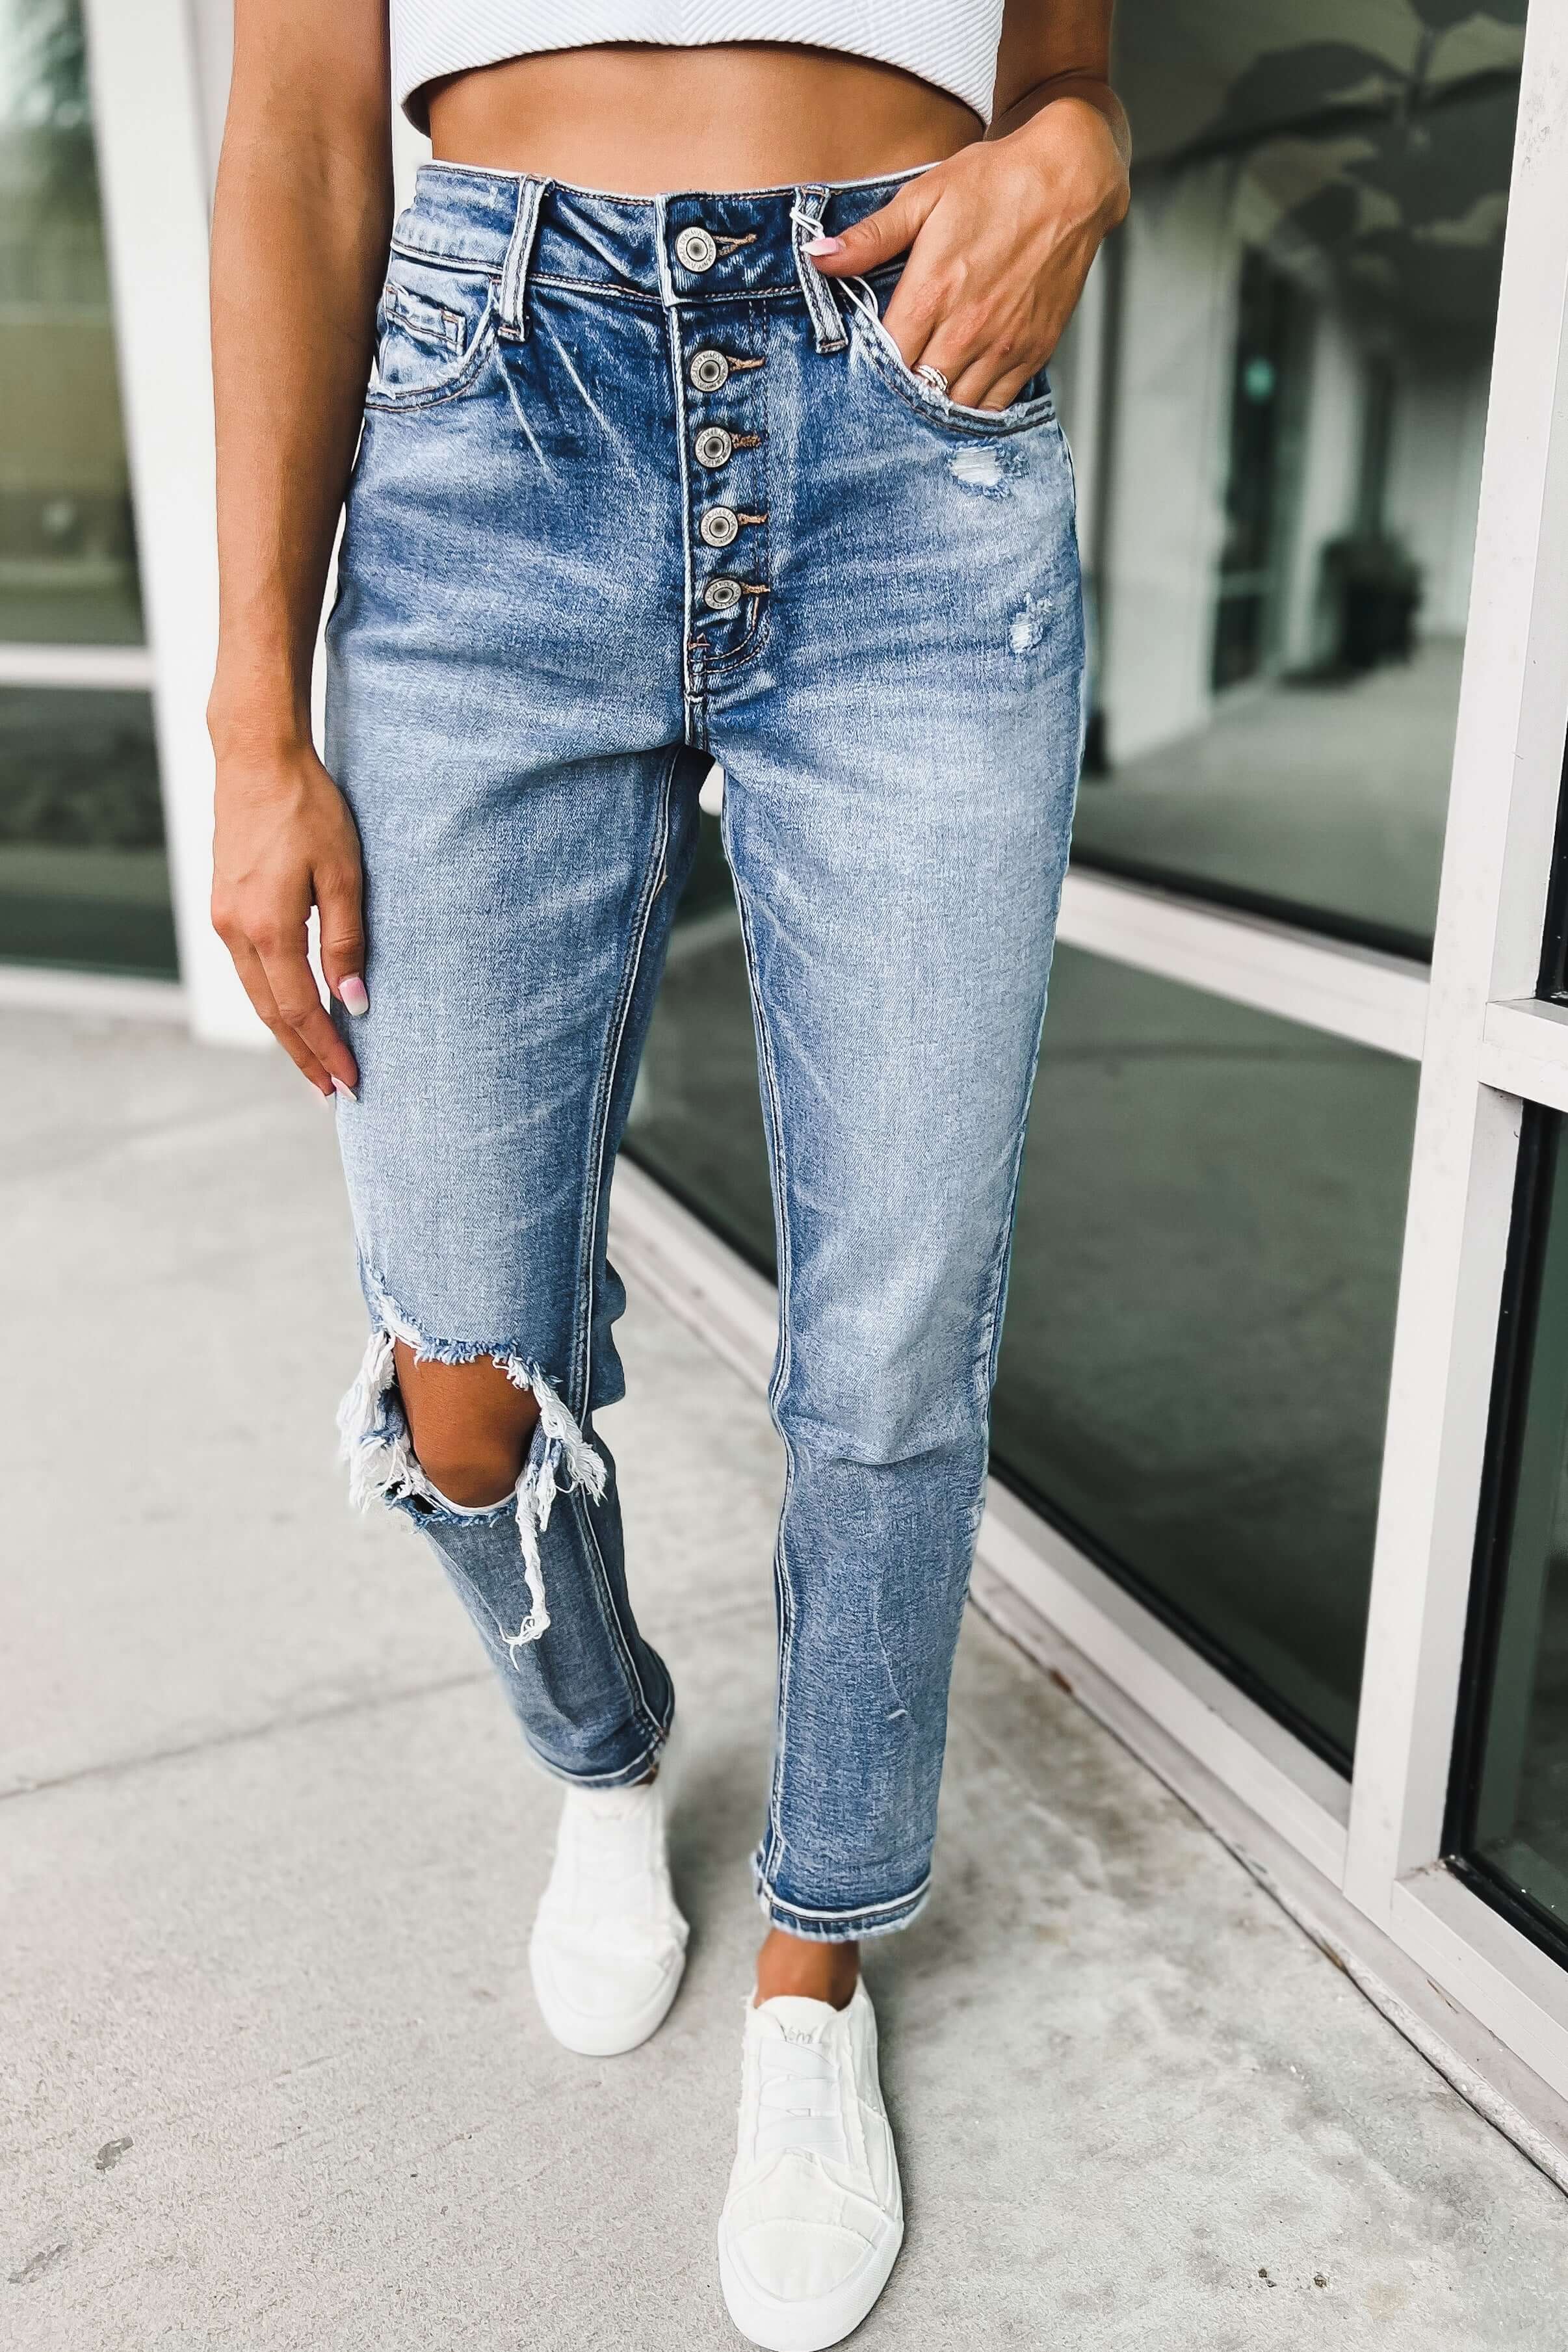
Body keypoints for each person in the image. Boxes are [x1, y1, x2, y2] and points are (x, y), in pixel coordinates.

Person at [208, 3, 1128, 2341]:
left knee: (892, 1342)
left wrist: (1081, 152)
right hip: (491, 428)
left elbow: (1062, 65)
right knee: (458, 1365)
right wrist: (251, 715)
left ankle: (818, 1963)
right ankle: (600, 1743)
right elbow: (302, 139)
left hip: (906, 429)